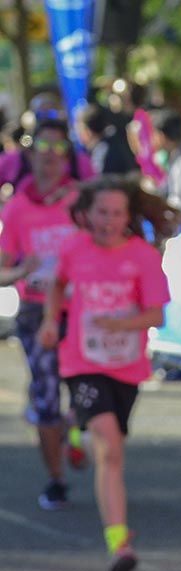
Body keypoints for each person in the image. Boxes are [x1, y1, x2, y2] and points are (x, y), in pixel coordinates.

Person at [36, 175, 170, 571]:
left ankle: (76, 431)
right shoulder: (74, 249)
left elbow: (156, 316)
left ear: (128, 216)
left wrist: (121, 322)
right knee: (110, 450)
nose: (109, 221)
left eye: (116, 213)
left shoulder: (143, 256)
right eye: (101, 213)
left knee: (109, 439)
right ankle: (120, 544)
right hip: (81, 360)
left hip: (126, 366)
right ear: (86, 214)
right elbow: (58, 285)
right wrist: (48, 321)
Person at [0, 120, 82, 509]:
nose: (49, 160)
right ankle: (56, 479)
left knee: (89, 396)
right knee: (48, 398)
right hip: (36, 313)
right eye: (42, 151)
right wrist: (21, 271)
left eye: (58, 151)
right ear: (30, 156)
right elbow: (2, 270)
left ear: (67, 158)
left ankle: (73, 425)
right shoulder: (16, 208)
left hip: (82, 311)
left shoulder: (81, 201)